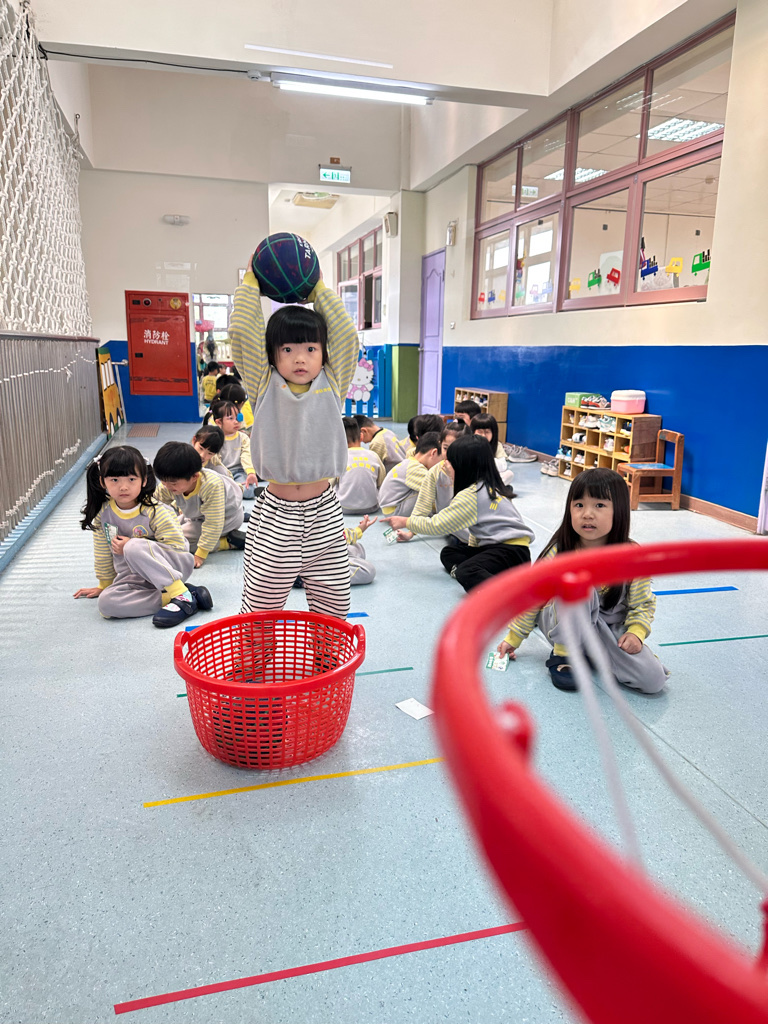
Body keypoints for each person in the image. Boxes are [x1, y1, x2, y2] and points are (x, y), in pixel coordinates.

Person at [228, 264, 359, 619]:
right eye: (287, 349)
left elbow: (347, 336)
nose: (300, 358)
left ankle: (327, 655)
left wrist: (318, 289)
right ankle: (255, 655)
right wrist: (250, 283)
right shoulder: (263, 384)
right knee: (260, 609)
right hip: (276, 516)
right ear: (272, 354)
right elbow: (243, 332)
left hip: (325, 513)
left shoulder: (332, 382)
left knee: (334, 608)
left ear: (324, 353)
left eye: (311, 348)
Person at [496, 468, 669, 694]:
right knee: (579, 585)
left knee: (653, 680)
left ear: (619, 511)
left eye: (599, 505)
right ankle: (565, 653)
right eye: (579, 505)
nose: (587, 514)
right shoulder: (559, 552)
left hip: (605, 630)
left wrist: (636, 632)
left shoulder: (633, 557)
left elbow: (643, 604)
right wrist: (514, 638)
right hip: (562, 624)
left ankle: (590, 653)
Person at [73, 445, 211, 628]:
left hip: (171, 567)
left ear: (144, 480)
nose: (123, 487)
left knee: (133, 546)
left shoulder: (155, 510)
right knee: (106, 605)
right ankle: (179, 596)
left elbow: (179, 548)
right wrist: (104, 585)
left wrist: (136, 546)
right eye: (114, 480)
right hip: (135, 577)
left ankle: (180, 594)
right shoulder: (103, 514)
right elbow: (102, 553)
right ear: (102, 482)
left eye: (132, 479)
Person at [383, 433, 533, 592]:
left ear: (465, 467)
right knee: (449, 552)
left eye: (451, 463)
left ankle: (510, 593)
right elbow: (475, 533)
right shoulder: (487, 486)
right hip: (509, 550)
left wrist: (405, 522)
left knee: (467, 571)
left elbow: (437, 525)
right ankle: (492, 576)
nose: (445, 466)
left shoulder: (472, 495)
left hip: (510, 552)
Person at [153, 441, 246, 568]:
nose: (167, 486)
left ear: (194, 477)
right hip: (196, 515)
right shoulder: (168, 484)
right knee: (166, 530)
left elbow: (213, 523)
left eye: (173, 484)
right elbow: (154, 506)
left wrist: (200, 554)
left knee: (179, 540)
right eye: (163, 482)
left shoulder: (211, 485)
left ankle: (227, 543)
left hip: (226, 519)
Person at [396, 420, 468, 544]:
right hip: (454, 531)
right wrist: (410, 533)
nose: (450, 454)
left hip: (477, 533)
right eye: (445, 448)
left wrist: (453, 477)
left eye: (457, 449)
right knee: (449, 552)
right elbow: (422, 506)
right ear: (440, 445)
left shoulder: (473, 468)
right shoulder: (435, 471)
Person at [203, 398, 259, 498]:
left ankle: (232, 489)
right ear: (219, 422)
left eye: (238, 417)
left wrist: (250, 473)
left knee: (249, 491)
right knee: (212, 487)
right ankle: (232, 489)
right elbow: (214, 462)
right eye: (230, 418)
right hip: (220, 473)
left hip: (238, 472)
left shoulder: (243, 438)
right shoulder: (215, 438)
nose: (236, 421)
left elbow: (247, 455)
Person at [378, 432, 442, 517]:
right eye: (442, 460)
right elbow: (438, 488)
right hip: (396, 510)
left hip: (394, 507)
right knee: (433, 490)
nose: (442, 465)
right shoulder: (414, 468)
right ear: (433, 453)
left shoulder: (411, 462)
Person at [336, 416, 385, 515]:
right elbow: (382, 482)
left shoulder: (338, 458)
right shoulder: (374, 456)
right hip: (372, 507)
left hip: (343, 507)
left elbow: (329, 484)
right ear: (361, 436)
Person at [470, 412, 515, 491]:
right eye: (480, 432)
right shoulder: (468, 444)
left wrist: (486, 458)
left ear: (493, 433)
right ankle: (494, 489)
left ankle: (490, 489)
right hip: (473, 478)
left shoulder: (497, 445)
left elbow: (503, 467)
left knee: (509, 474)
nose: (483, 435)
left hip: (490, 478)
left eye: (487, 432)